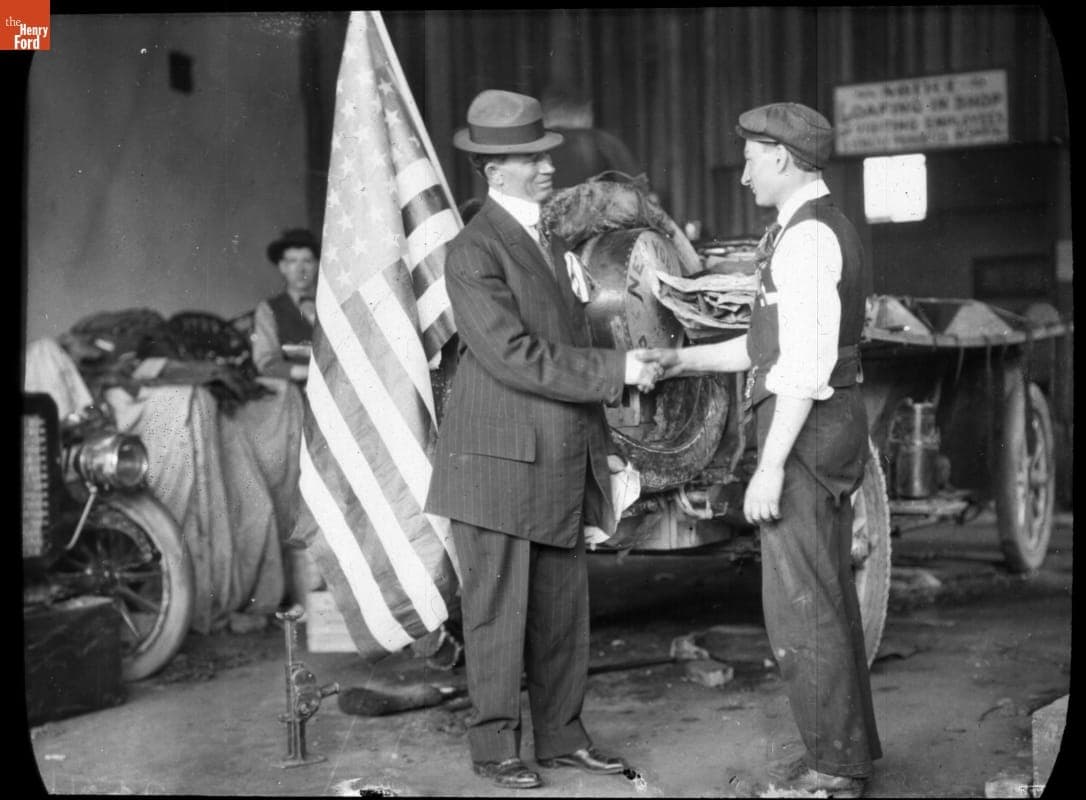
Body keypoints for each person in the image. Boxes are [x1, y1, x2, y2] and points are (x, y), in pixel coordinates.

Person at [424, 89, 663, 791]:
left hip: (554, 455)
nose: (547, 166)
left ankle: (562, 737)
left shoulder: (549, 242)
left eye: (544, 153)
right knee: (499, 614)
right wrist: (620, 368)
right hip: (495, 462)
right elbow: (515, 356)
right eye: (531, 158)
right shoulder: (472, 251)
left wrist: (602, 449)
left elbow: (565, 342)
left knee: (561, 609)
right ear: (495, 170)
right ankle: (496, 748)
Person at [655, 102, 881, 798]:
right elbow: (765, 347)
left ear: (782, 158)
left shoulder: (807, 241)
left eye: (753, 155)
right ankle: (848, 751)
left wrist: (771, 467)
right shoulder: (804, 230)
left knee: (800, 606)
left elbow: (803, 367)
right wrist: (680, 363)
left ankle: (833, 772)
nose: (745, 168)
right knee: (826, 596)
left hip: (807, 433)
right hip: (824, 425)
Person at [251, 228, 319, 383]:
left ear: (316, 265)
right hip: (296, 390)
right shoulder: (268, 309)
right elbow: (266, 362)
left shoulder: (333, 306)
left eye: (307, 261)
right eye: (293, 261)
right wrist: (310, 373)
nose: (301, 269)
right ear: (282, 267)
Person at [541, 84, 641, 189]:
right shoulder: (604, 142)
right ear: (584, 110)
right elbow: (637, 189)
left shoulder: (534, 145)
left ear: (545, 113)